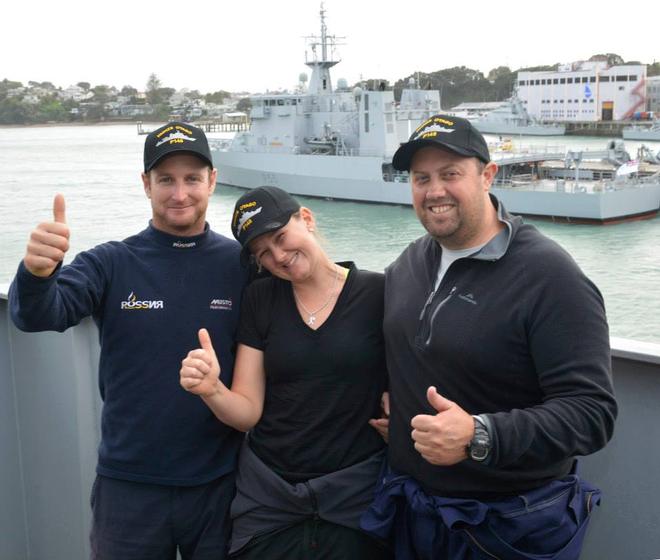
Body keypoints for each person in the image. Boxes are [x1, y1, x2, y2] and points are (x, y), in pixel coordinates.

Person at [360, 114, 618, 559]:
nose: (434, 190)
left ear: (488, 176)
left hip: (505, 526)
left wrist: (480, 435)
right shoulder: (410, 262)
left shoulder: (549, 276)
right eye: (421, 178)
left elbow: (592, 413)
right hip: (414, 510)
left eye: (450, 174)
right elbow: (410, 346)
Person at [9, 122, 247, 559]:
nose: (180, 194)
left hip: (221, 483)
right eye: (165, 180)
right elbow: (37, 314)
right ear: (145, 185)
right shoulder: (110, 262)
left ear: (212, 180)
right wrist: (37, 273)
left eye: (192, 178)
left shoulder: (242, 264)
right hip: (129, 485)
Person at [180, 186, 391, 559]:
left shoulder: (380, 293)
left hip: (353, 498)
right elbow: (248, 411)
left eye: (280, 237)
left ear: (306, 219)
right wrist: (211, 389)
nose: (278, 256)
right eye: (263, 252)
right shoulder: (261, 299)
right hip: (270, 497)